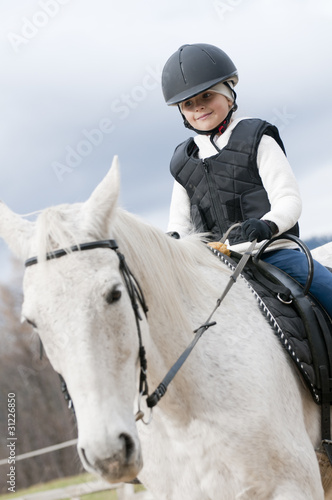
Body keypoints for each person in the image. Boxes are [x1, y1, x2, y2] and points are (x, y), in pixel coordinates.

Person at [162, 43, 332, 317]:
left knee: (328, 289)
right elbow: (179, 225)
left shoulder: (256, 138)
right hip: (214, 265)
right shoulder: (183, 161)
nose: (199, 107)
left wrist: (267, 225)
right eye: (188, 103)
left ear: (229, 95)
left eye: (207, 95)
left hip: (271, 252)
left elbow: (288, 199)